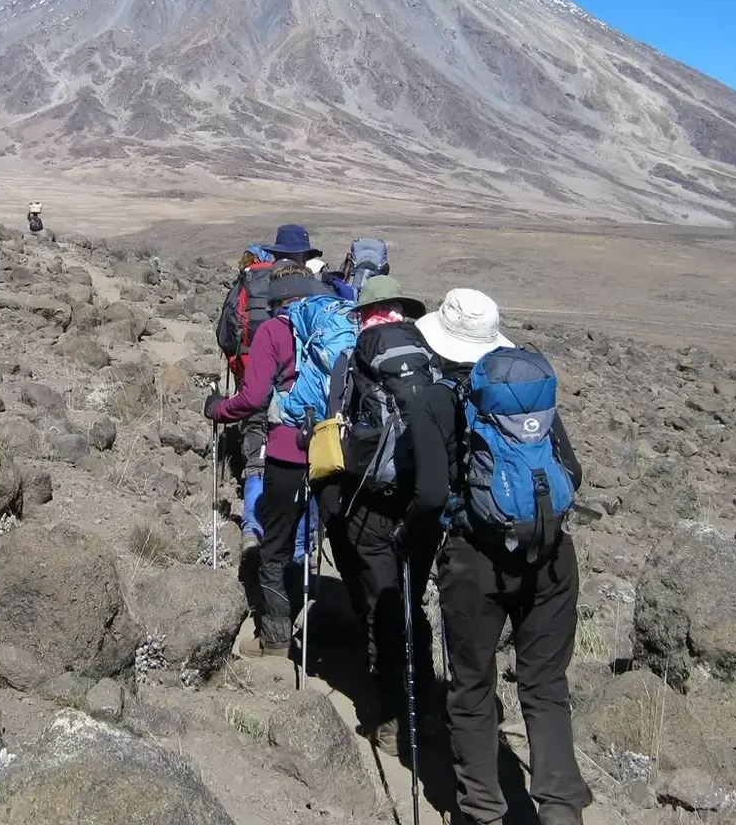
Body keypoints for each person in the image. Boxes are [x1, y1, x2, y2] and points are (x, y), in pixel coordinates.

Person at [403, 289, 591, 825]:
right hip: (551, 555)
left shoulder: (432, 398)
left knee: (471, 686)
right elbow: (570, 473)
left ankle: (482, 810)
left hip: (474, 562)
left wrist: (416, 541)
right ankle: (560, 810)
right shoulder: (525, 391)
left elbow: (433, 494)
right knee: (545, 685)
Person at [321, 275, 437, 755]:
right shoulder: (431, 358)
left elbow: (332, 427)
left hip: (370, 505)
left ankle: (391, 718)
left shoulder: (353, 359)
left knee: (381, 605)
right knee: (412, 601)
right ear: (401, 309)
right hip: (425, 503)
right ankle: (427, 705)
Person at [206, 260, 331, 657]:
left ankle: (276, 640)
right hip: (331, 447)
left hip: (286, 449)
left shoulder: (275, 330)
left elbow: (253, 398)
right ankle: (306, 612)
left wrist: (217, 409)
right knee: (303, 534)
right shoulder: (332, 328)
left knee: (274, 545)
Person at [215, 244, 277, 556]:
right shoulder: (283, 287)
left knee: (256, 452)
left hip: (250, 379)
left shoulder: (241, 288)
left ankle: (252, 526)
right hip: (285, 382)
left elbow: (225, 336)